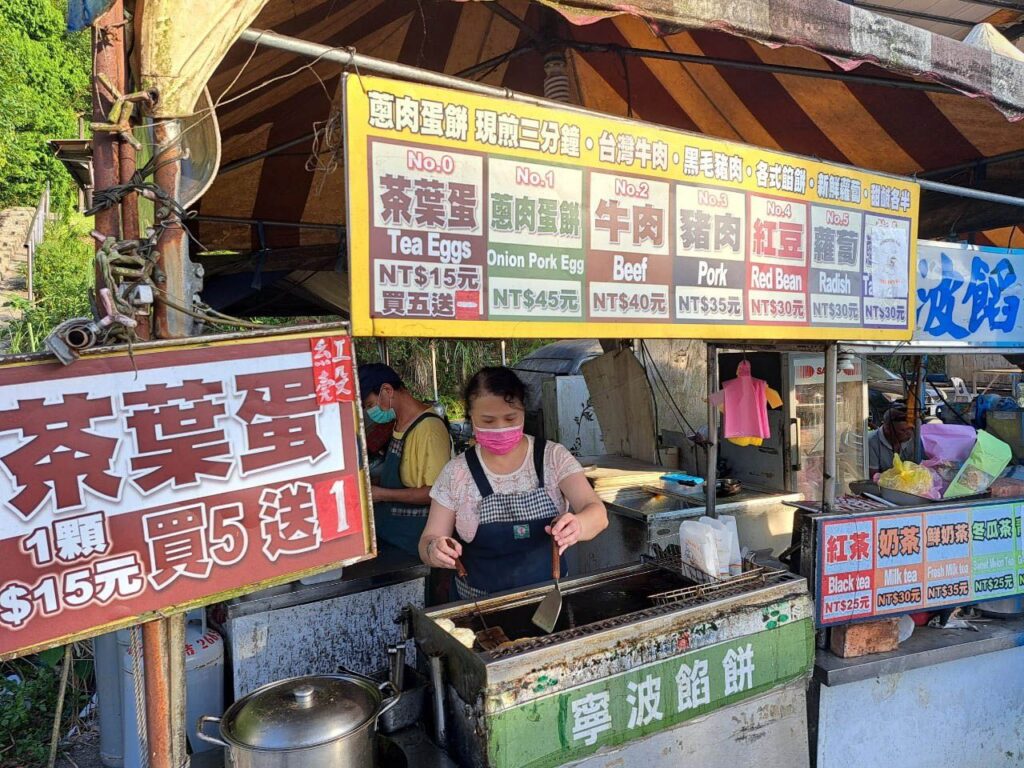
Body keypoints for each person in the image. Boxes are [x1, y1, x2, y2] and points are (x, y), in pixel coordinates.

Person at [419, 366, 608, 599]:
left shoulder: (552, 457)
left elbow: (597, 513)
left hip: (549, 602)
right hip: (479, 607)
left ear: (523, 411)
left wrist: (578, 525)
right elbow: (428, 539)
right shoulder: (457, 473)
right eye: (487, 421)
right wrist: (433, 549)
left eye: (510, 418)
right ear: (471, 417)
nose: (500, 427)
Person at [358, 363, 452, 556]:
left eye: (369, 405)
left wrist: (382, 494)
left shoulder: (429, 430)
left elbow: (435, 493)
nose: (369, 411)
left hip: (415, 539)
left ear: (387, 390)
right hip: (390, 533)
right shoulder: (399, 424)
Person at [867, 404, 920, 477]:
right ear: (888, 429)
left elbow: (922, 466)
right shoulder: (871, 442)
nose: (909, 433)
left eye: (911, 429)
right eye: (903, 430)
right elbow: (873, 476)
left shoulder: (914, 438)